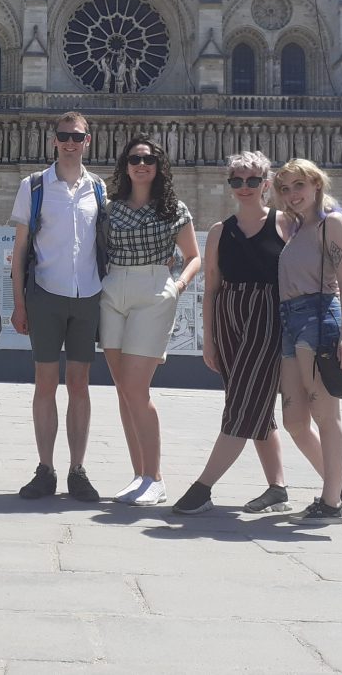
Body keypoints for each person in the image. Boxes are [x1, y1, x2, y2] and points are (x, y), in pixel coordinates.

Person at [173, 151, 295, 515]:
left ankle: (202, 488)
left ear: (266, 184)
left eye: (253, 180)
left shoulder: (286, 224)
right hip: (229, 319)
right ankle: (278, 488)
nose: (245, 187)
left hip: (268, 317)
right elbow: (211, 288)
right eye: (237, 180)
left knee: (243, 404)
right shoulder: (219, 231)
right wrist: (209, 340)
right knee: (255, 405)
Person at [10, 112, 105, 502]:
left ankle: (77, 470)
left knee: (80, 385)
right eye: (64, 136)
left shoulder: (99, 188)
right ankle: (45, 469)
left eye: (77, 137)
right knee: (45, 383)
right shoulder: (33, 185)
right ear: (53, 140)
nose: (70, 142)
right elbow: (19, 250)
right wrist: (19, 304)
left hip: (88, 295)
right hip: (45, 294)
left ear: (88, 141)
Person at [102, 135, 200, 507]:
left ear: (159, 166)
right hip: (113, 290)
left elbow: (193, 256)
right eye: (134, 159)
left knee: (135, 389)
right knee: (124, 391)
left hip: (154, 289)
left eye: (148, 159)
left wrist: (178, 285)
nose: (141, 165)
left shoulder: (173, 208)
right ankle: (139, 475)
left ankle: (155, 479)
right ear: (125, 166)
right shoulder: (110, 208)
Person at [273, 158, 342, 525]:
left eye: (299, 185)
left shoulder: (331, 223)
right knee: (294, 420)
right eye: (286, 188)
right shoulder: (296, 229)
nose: (293, 194)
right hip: (289, 321)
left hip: (319, 317)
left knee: (325, 413)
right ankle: (336, 481)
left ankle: (331, 503)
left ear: (317, 185)